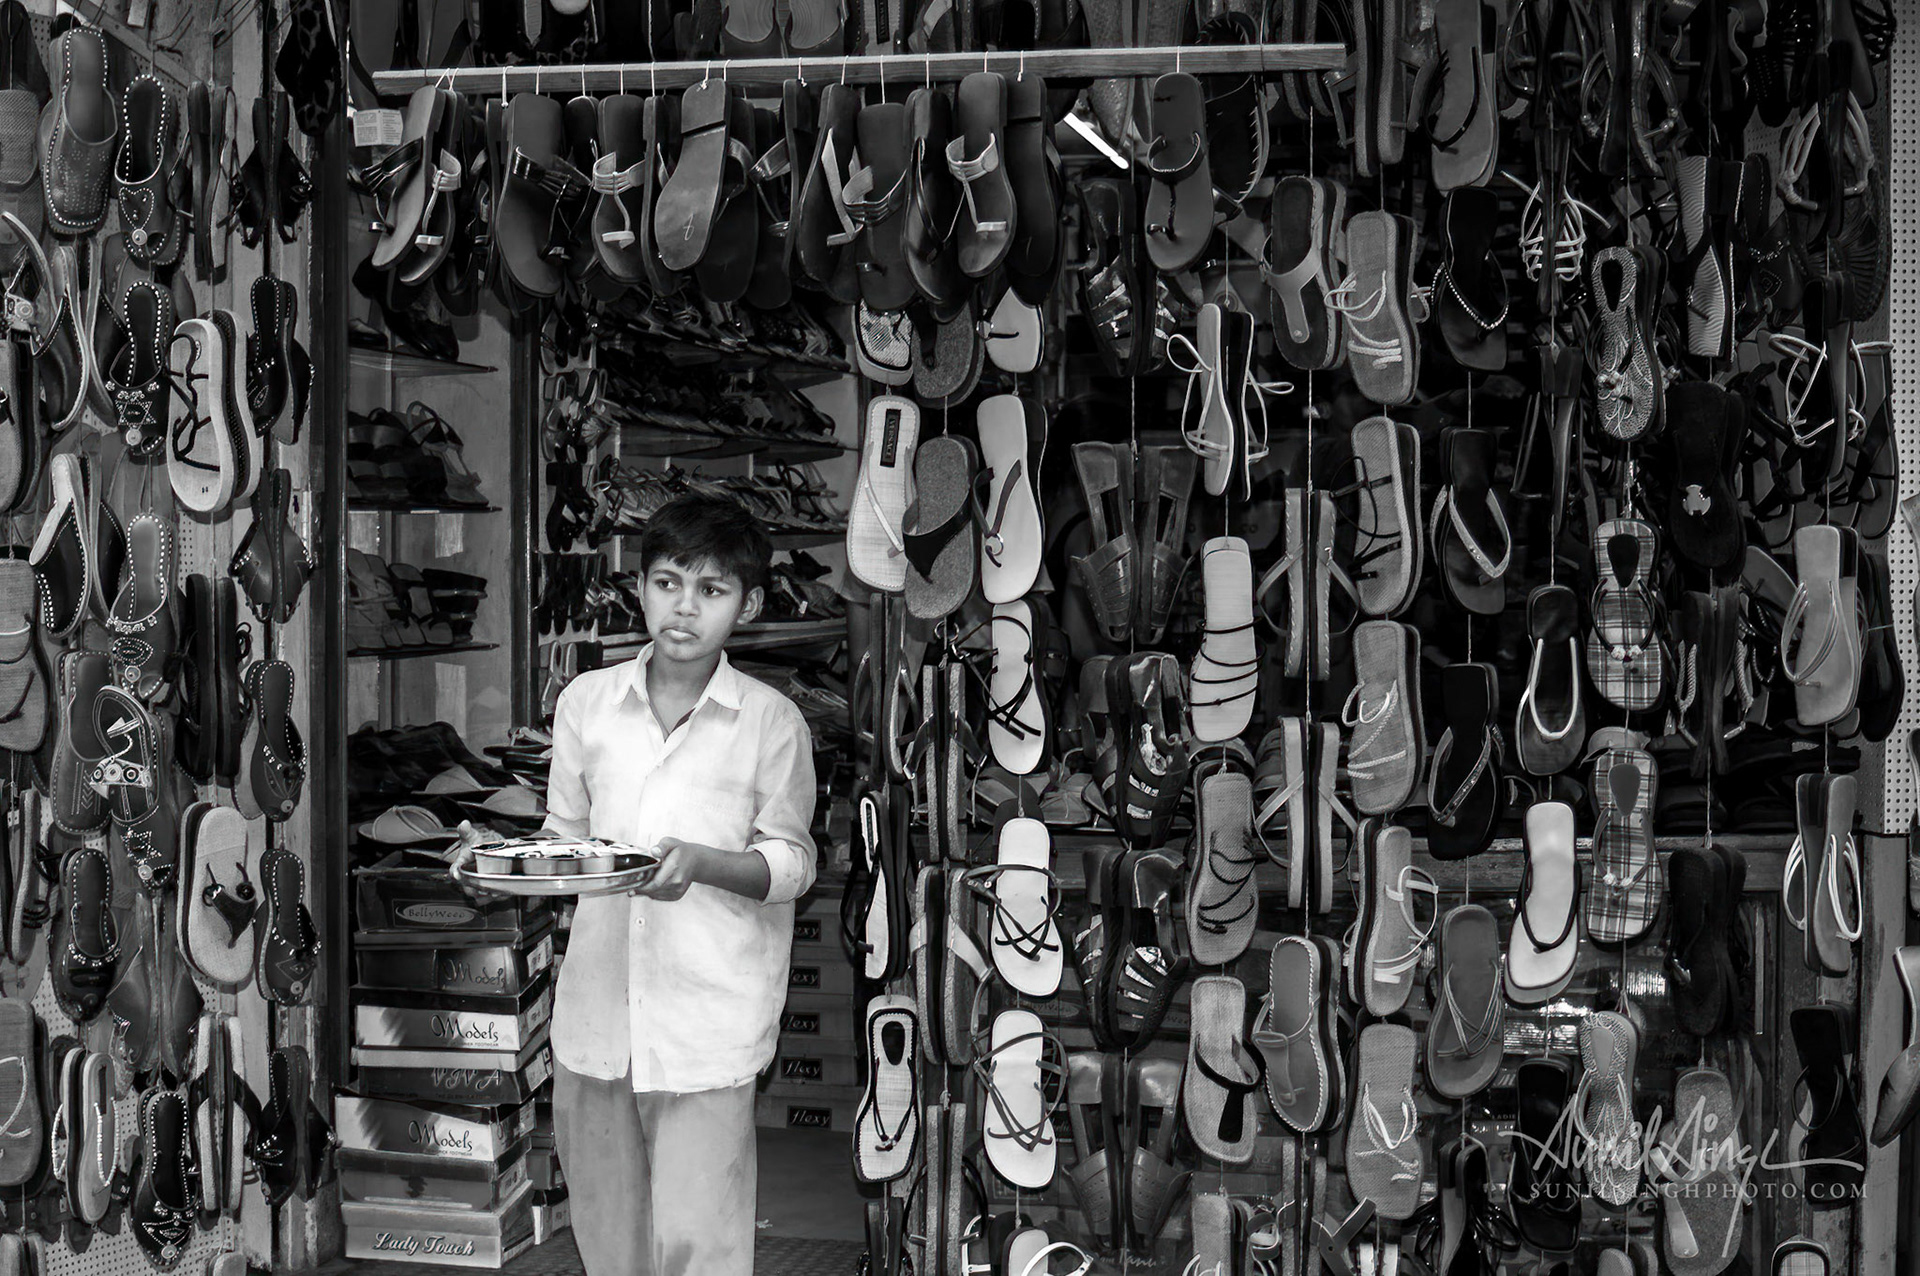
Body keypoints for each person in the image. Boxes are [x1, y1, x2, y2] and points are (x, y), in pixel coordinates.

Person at [540, 491, 818, 1276]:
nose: (684, 609)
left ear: (750, 604)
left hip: (705, 1024)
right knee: (609, 1244)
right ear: (639, 586)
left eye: (711, 590)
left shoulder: (771, 722)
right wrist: (500, 865)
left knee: (701, 1249)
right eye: (667, 583)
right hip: (596, 1021)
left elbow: (792, 864)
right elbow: (563, 843)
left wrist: (701, 863)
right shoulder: (586, 703)